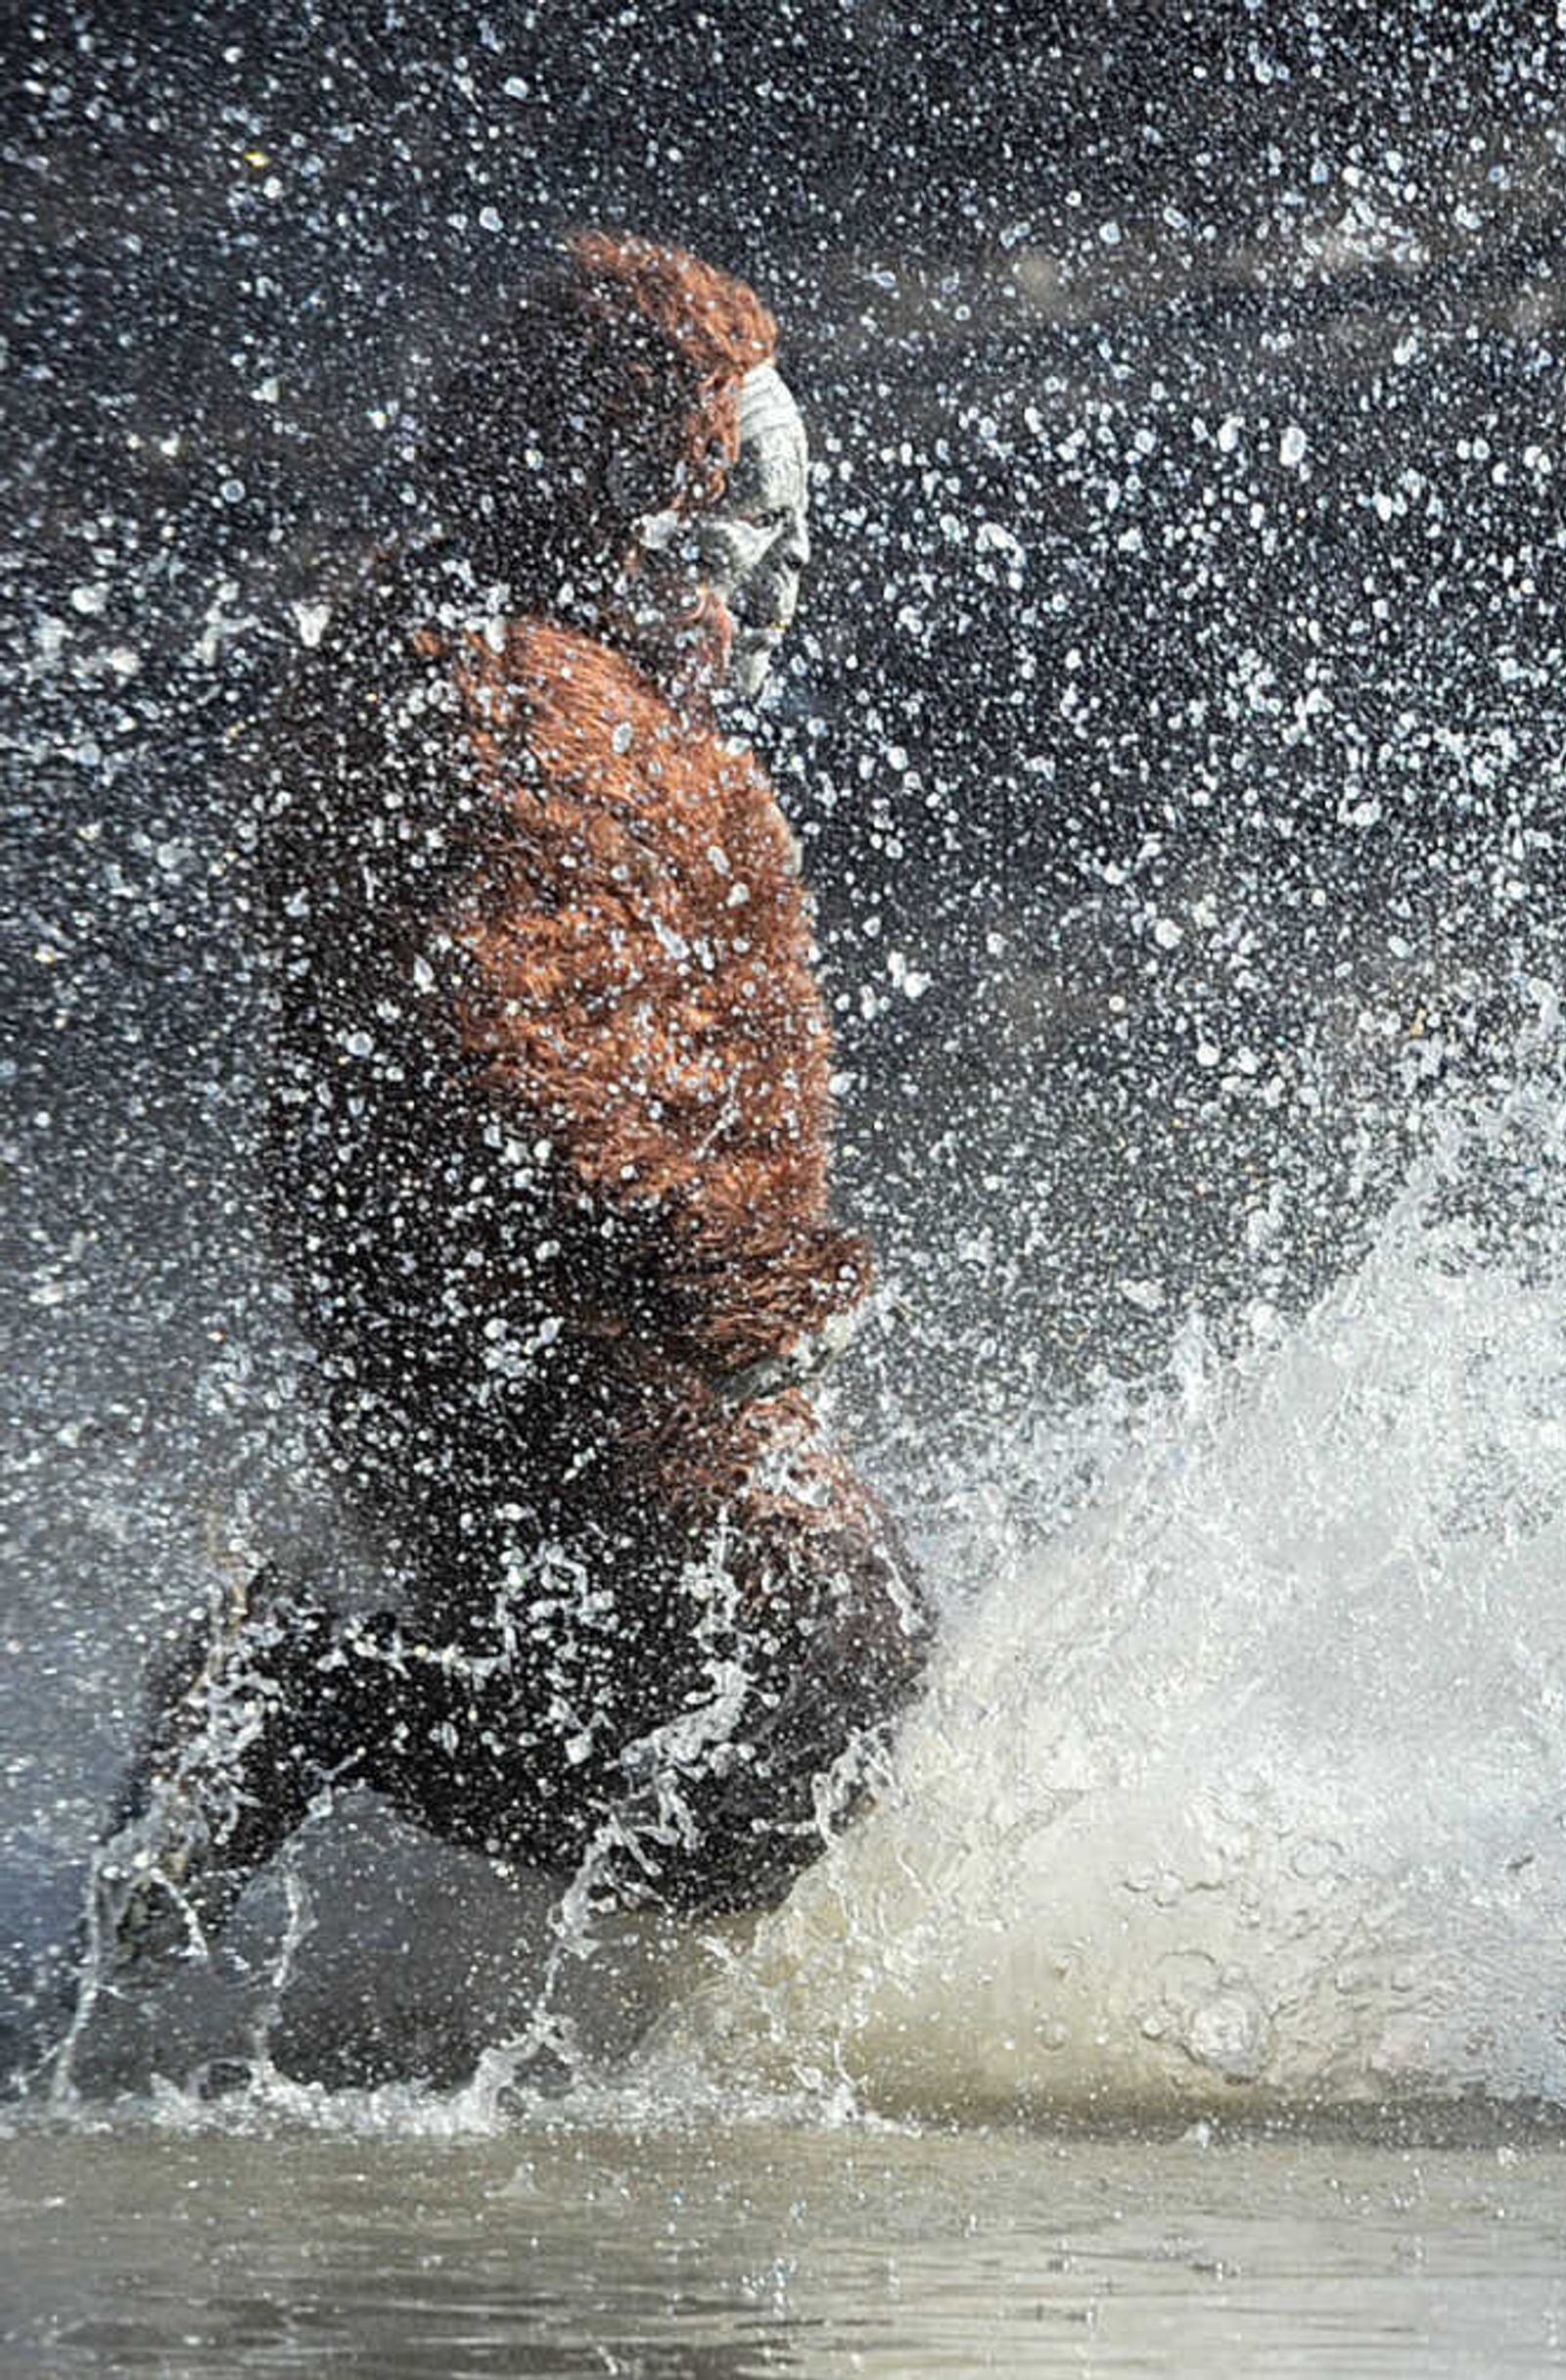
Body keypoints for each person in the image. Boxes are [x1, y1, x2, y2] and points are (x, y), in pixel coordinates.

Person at [85, 231, 929, 1977]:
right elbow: (495, 1050)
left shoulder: (544, 691)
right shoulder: (509, 705)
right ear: (640, 502)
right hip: (557, 1340)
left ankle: (264, 1865)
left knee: (831, 1682)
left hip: (563, 1337)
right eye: (740, 516)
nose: (768, 578)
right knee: (803, 1733)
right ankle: (306, 1703)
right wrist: (733, 1281)